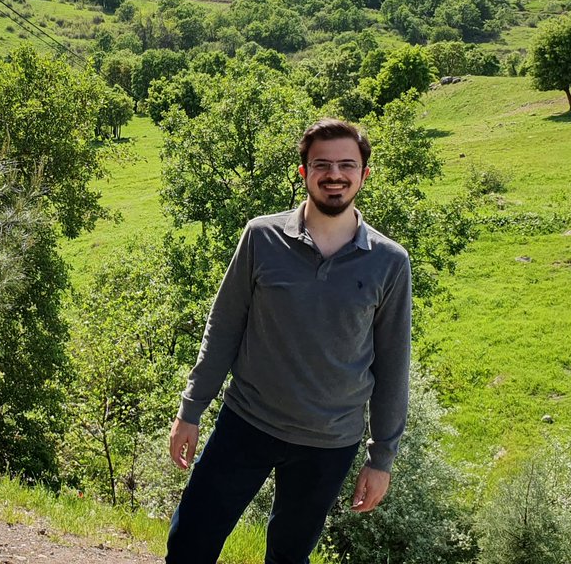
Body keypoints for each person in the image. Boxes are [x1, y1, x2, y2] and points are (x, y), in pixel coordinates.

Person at [165, 117, 412, 564]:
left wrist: (382, 459)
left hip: (330, 443)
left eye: (346, 165)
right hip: (247, 422)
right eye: (322, 164)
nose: (334, 175)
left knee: (288, 558)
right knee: (189, 544)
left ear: (363, 174)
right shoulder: (262, 236)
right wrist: (191, 410)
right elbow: (223, 327)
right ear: (303, 172)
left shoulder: (390, 262)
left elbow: (393, 366)